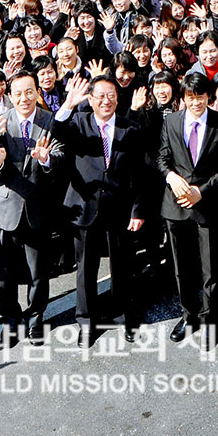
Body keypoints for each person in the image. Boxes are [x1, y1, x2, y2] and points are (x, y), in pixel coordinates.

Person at [53, 74, 148, 341]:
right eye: (100, 96)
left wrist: (137, 210)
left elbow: (139, 173)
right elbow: (56, 131)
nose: (106, 101)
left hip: (119, 208)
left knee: (122, 265)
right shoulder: (77, 122)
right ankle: (86, 322)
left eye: (111, 96)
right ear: (91, 100)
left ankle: (123, 316)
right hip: (84, 206)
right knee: (86, 268)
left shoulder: (131, 128)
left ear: (118, 98)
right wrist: (68, 104)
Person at [157, 71, 218, 343]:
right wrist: (171, 177)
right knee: (182, 267)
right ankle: (188, 316)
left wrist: (200, 191)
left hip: (208, 205)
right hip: (176, 205)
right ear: (183, 98)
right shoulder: (171, 121)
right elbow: (162, 158)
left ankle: (210, 319)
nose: (196, 102)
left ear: (208, 97)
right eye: (190, 97)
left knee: (210, 268)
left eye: (200, 97)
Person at [0, 70, 66, 343]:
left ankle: (35, 318)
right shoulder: (1, 122)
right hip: (6, 206)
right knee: (5, 272)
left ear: (37, 92)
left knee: (38, 270)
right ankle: (10, 319)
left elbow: (60, 154)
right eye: (18, 93)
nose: (24, 98)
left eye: (29, 92)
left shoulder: (49, 120)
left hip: (37, 205)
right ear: (10, 95)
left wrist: (45, 159)